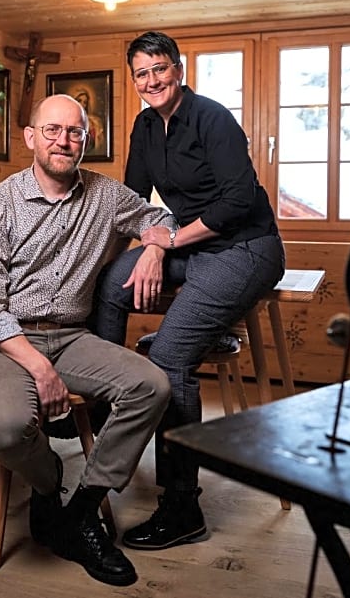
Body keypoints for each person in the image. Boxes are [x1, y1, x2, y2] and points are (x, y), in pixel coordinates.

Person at [0, 93, 176, 586]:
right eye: (53, 130)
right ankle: (49, 481)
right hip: (4, 341)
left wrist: (153, 251)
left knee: (152, 386)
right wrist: (40, 369)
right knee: (8, 428)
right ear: (31, 138)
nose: (64, 140)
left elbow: (159, 218)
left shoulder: (104, 195)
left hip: (71, 335)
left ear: (86, 139)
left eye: (75, 132)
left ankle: (82, 511)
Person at [93, 31, 286, 551]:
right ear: (134, 81)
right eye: (142, 73)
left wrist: (169, 240)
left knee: (170, 355)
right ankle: (105, 402)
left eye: (160, 69)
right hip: (186, 243)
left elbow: (238, 201)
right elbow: (134, 201)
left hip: (246, 247)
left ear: (178, 70)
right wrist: (152, 246)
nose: (152, 80)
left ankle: (182, 507)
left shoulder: (212, 116)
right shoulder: (143, 125)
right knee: (112, 283)